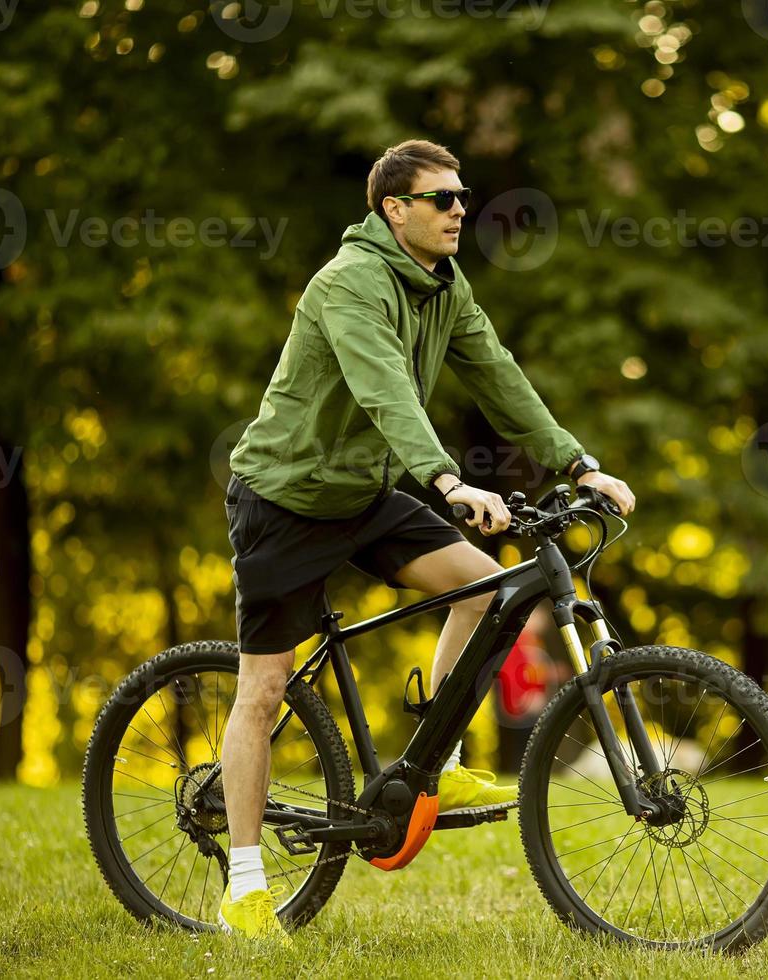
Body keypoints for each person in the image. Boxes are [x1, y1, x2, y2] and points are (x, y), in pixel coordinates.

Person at [217, 139, 635, 940]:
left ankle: (432, 766)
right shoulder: (348, 284)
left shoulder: (445, 286)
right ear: (393, 209)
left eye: (462, 196)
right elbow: (383, 389)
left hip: (364, 492)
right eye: (441, 199)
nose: (458, 211)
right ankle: (243, 884)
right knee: (262, 691)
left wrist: (578, 463)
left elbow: (499, 375)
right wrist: (446, 481)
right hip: (284, 498)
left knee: (485, 589)